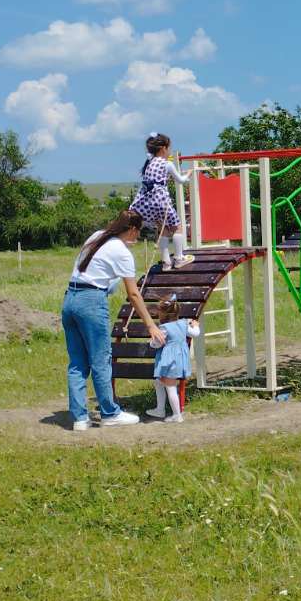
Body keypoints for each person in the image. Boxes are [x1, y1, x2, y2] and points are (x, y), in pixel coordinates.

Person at [63, 209, 165, 431]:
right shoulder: (122, 253)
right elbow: (134, 294)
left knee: (78, 363)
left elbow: (92, 269)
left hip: (70, 299)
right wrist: (151, 325)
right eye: (137, 233)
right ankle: (110, 413)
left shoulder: (97, 236)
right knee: (101, 359)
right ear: (131, 229)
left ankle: (80, 419)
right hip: (91, 302)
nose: (137, 238)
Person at [131, 132, 195, 271]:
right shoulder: (167, 164)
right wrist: (189, 173)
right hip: (161, 201)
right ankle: (179, 258)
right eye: (169, 148)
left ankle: (166, 263)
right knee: (177, 227)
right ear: (164, 148)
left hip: (148, 202)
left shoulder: (149, 164)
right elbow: (181, 180)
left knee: (163, 230)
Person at [146, 296, 200, 424]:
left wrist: (151, 343)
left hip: (170, 362)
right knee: (159, 382)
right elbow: (195, 333)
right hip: (180, 360)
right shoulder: (183, 324)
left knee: (170, 387)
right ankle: (160, 409)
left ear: (163, 314)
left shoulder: (164, 328)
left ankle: (177, 415)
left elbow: (157, 343)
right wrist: (196, 325)